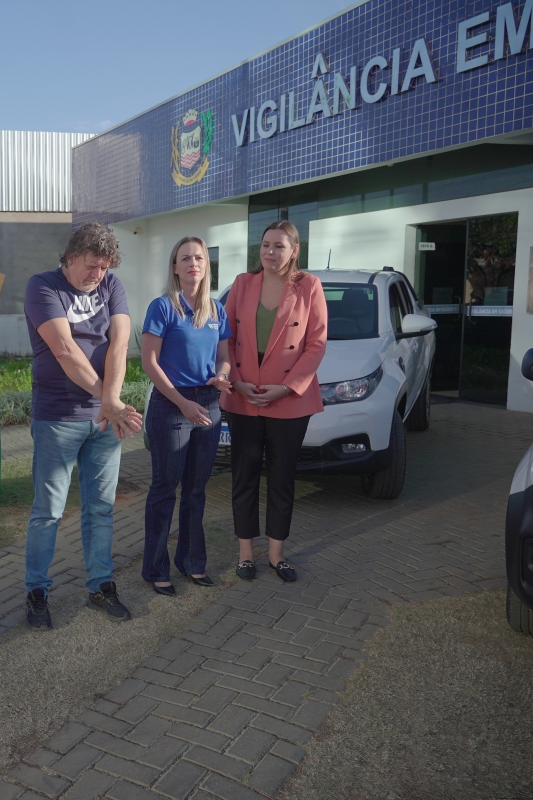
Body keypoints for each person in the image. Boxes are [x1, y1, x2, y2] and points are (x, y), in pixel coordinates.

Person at [22, 222, 143, 628]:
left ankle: (101, 585)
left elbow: (120, 344)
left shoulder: (111, 285)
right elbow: (64, 350)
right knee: (48, 511)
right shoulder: (43, 286)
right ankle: (37, 592)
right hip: (58, 419)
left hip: (104, 421)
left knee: (101, 509)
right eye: (91, 265)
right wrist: (110, 401)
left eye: (104, 267)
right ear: (70, 256)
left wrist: (110, 403)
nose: (97, 274)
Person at [222, 220, 328, 583]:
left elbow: (316, 343)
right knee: (244, 476)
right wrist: (236, 381)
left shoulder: (309, 286)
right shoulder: (242, 283)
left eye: (279, 246)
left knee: (282, 478)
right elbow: (226, 338)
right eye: (266, 244)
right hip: (244, 394)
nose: (270, 251)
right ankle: (245, 555)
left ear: (294, 250)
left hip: (289, 398)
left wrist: (286, 387)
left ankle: (276, 555)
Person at [140, 237, 233, 595]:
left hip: (208, 402)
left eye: (199, 258)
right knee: (165, 489)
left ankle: (192, 562)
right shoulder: (163, 307)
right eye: (186, 258)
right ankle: (156, 569)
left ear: (206, 266)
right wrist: (182, 403)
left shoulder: (216, 310)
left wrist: (221, 375)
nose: (193, 263)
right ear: (175, 267)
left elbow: (224, 357)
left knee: (196, 490)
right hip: (172, 405)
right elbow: (150, 363)